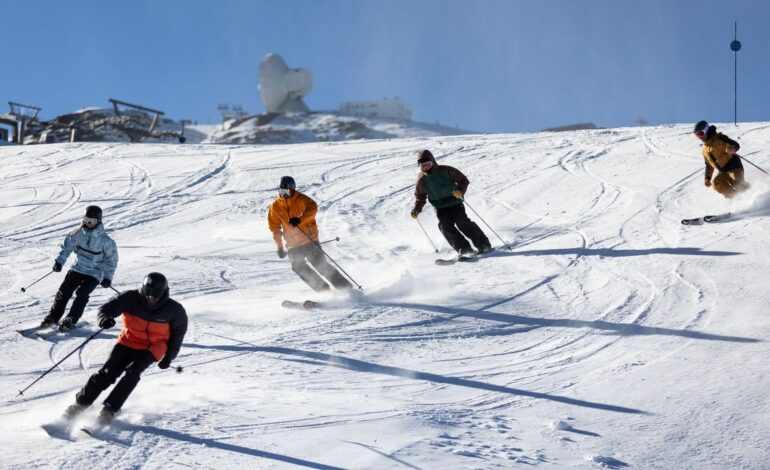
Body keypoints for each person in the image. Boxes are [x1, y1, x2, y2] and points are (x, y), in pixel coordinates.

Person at [61, 272, 188, 425]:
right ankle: (80, 405)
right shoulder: (130, 298)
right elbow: (105, 309)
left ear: (164, 293)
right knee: (107, 373)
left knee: (132, 373)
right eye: (148, 292)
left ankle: (110, 409)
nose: (151, 297)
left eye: (156, 294)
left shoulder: (174, 310)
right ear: (142, 289)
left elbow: (178, 334)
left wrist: (169, 357)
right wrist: (104, 320)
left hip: (154, 347)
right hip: (128, 341)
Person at [40, 205, 118, 332]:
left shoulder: (106, 241)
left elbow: (112, 260)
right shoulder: (76, 234)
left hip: (95, 273)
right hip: (78, 268)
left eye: (92, 221)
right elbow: (66, 248)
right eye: (86, 219)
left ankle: (71, 319)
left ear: (98, 221)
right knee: (63, 291)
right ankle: (53, 317)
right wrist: (59, 262)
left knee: (82, 293)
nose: (88, 223)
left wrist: (107, 277)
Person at [267, 176, 352, 292]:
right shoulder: (275, 206)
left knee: (321, 266)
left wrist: (300, 220)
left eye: (287, 191)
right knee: (298, 267)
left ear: (292, 189)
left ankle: (346, 288)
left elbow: (313, 208)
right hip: (292, 244)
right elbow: (274, 228)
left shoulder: (301, 199)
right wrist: (279, 246)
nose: (284, 194)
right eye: (282, 191)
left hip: (309, 239)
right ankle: (323, 290)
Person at [410, 149, 492, 255]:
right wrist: (416, 210)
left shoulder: (446, 170)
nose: (425, 167)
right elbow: (420, 196)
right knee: (444, 226)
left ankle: (483, 245)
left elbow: (463, 180)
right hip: (440, 207)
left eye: (428, 164)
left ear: (433, 162)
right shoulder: (421, 179)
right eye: (423, 166)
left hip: (455, 202)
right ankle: (464, 249)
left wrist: (459, 191)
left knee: (462, 222)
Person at [693, 120, 749, 198]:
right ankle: (736, 199)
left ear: (706, 130)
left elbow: (735, 144)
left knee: (737, 183)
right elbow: (708, 165)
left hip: (734, 166)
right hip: (723, 171)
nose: (700, 137)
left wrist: (732, 148)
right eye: (697, 135)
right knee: (716, 183)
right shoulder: (704, 150)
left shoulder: (719, 138)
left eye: (700, 134)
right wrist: (707, 178)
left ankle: (756, 193)